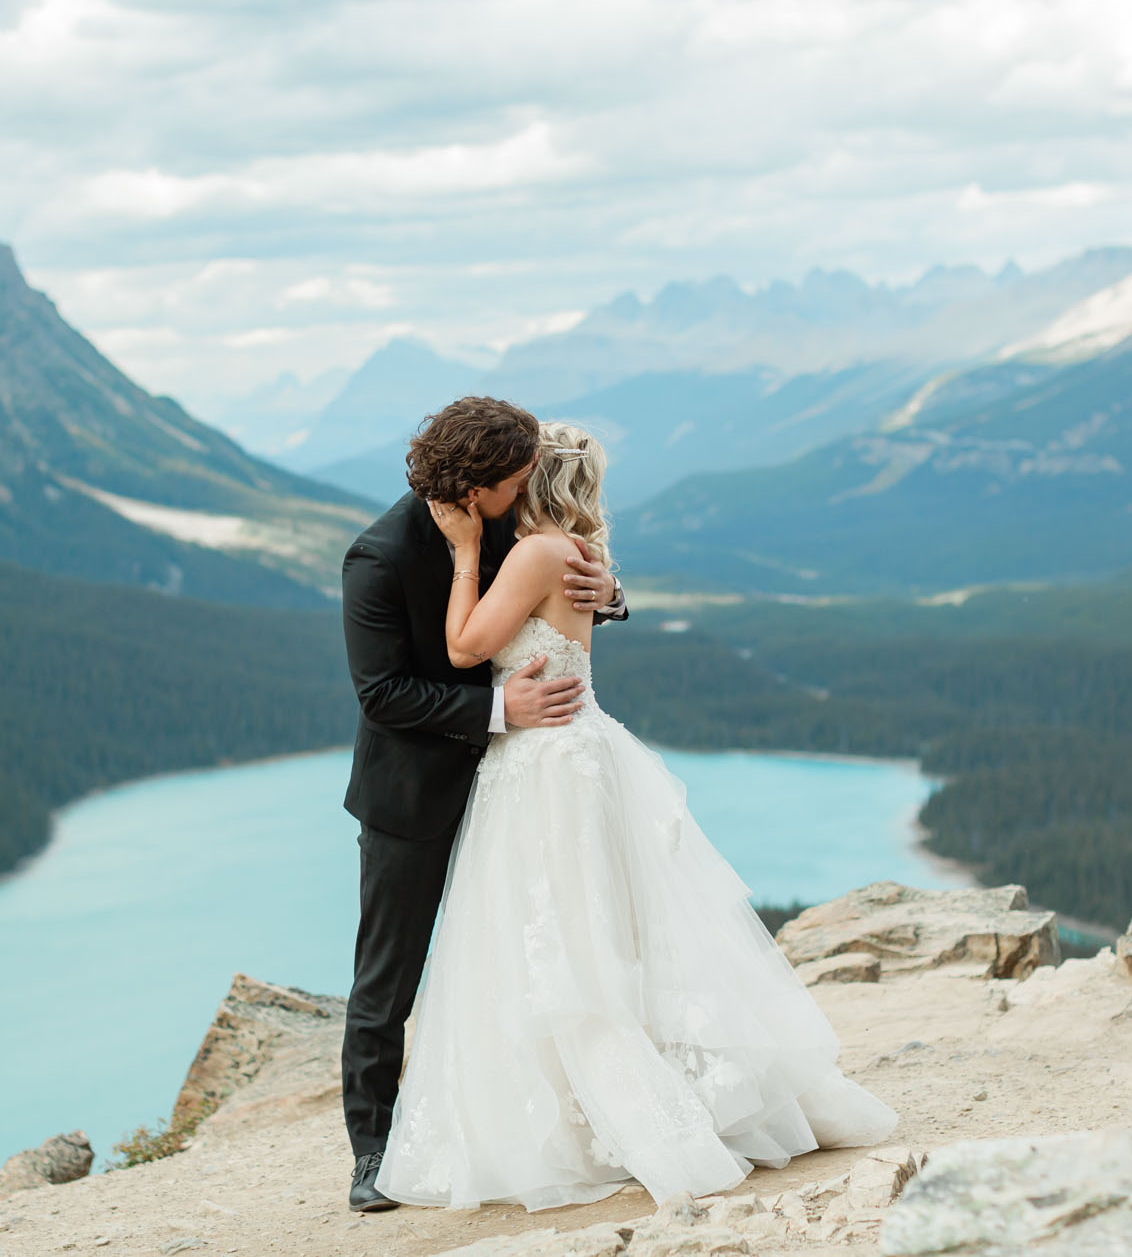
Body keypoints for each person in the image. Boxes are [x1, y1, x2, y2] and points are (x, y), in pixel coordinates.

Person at [372, 419, 898, 1211]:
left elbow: (463, 647)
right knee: (596, 934)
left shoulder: (535, 551)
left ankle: (616, 1119)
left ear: (533, 481)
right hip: (578, 751)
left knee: (566, 944)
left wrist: (467, 554)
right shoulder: (578, 550)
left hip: (546, 764)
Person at [339, 396, 630, 1212]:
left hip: (522, 787)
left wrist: (608, 589)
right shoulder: (378, 557)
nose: (526, 485)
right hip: (417, 796)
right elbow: (383, 693)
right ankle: (372, 1153)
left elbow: (562, 582)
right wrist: (502, 713)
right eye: (512, 480)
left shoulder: (511, 523)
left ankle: (513, 1126)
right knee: (387, 980)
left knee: (523, 958)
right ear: (474, 491)